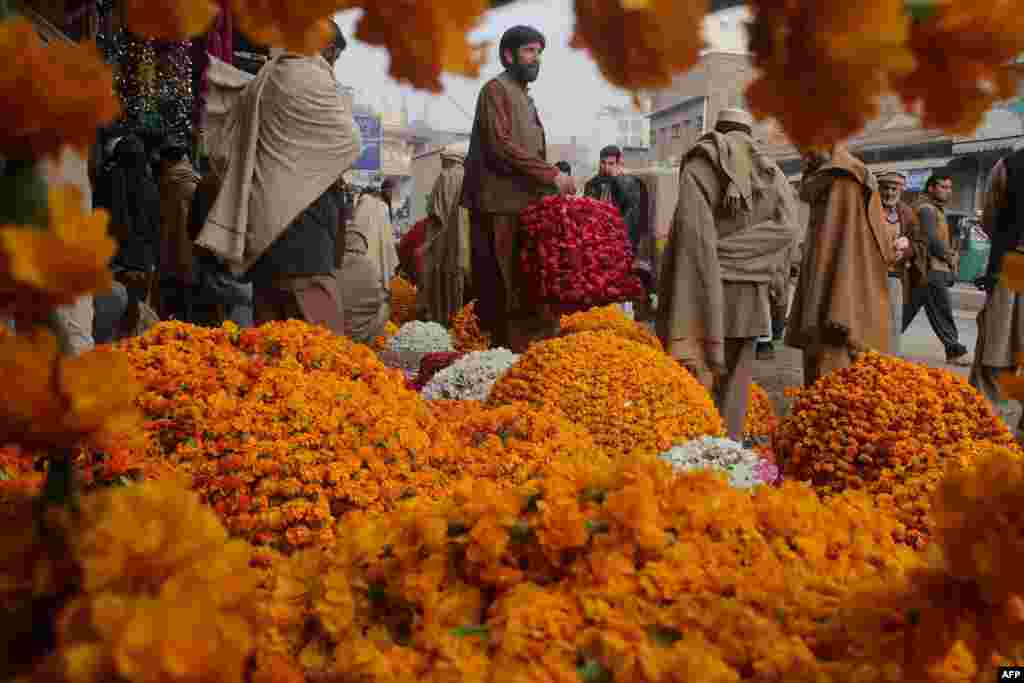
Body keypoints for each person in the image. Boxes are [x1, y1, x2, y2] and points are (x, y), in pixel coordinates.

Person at [196, 20, 360, 334]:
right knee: (320, 336)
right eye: (334, 59)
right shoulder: (309, 76)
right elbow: (349, 142)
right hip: (303, 219)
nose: (333, 68)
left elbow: (226, 149)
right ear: (325, 47)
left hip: (262, 220)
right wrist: (312, 167)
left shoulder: (265, 77)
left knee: (269, 332)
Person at [656, 108, 800, 441]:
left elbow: (692, 239)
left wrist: (716, 255)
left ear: (717, 129)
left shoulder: (699, 165)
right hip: (749, 299)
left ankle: (695, 453)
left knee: (696, 379)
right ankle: (727, 452)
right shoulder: (771, 173)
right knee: (735, 386)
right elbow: (788, 232)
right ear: (750, 134)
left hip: (701, 293)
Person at [459, 25, 577, 352]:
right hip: (497, 207)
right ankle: (503, 359)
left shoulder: (524, 96)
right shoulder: (495, 90)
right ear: (508, 55)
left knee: (526, 288)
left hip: (523, 208)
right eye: (528, 51)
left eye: (539, 52)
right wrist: (551, 175)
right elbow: (500, 145)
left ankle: (523, 355)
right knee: (502, 289)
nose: (535, 58)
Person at [786, 145, 900, 385]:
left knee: (834, 371)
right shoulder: (824, 179)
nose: (803, 153)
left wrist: (840, 304)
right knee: (820, 366)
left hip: (838, 297)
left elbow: (848, 249)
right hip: (822, 286)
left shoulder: (846, 181)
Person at [970, 147, 1024, 436]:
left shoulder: (1007, 165)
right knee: (999, 343)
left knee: (998, 346)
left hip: (1014, 260)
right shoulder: (1007, 165)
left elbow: (989, 219)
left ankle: (986, 422)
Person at [93, 134, 162, 338]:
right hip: (142, 264)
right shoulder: (149, 184)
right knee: (134, 321)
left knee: (112, 320)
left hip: (114, 263)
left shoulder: (107, 181)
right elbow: (155, 225)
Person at [902, 173, 971, 365]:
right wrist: (949, 257)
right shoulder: (926, 209)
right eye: (942, 187)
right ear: (931, 188)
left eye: (949, 187)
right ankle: (954, 350)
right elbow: (932, 240)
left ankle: (881, 341)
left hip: (924, 269)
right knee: (941, 310)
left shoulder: (932, 208)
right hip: (931, 269)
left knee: (906, 310)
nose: (947, 191)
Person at [419, 141, 472, 323]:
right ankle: (458, 322)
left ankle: (443, 319)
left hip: (443, 242)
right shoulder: (467, 178)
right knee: (458, 283)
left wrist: (429, 241)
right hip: (463, 242)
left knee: (441, 283)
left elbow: (436, 212)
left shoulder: (445, 176)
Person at [155, 138, 200, 320]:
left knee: (168, 303)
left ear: (166, 161)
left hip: (167, 250)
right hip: (192, 251)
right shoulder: (196, 183)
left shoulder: (163, 185)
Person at [876, 171, 916, 355]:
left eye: (894, 189)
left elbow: (919, 244)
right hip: (870, 275)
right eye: (885, 188)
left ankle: (888, 361)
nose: (890, 193)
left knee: (892, 321)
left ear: (900, 190)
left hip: (894, 277)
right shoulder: (869, 211)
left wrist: (906, 250)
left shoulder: (907, 213)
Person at [338, 226, 390, 344]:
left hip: (335, 334)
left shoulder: (333, 264)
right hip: (365, 335)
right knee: (385, 306)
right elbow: (379, 298)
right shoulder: (369, 265)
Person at [352, 185, 400, 293]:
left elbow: (354, 236)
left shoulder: (363, 204)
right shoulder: (382, 207)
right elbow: (389, 244)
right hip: (380, 278)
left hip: (362, 274)